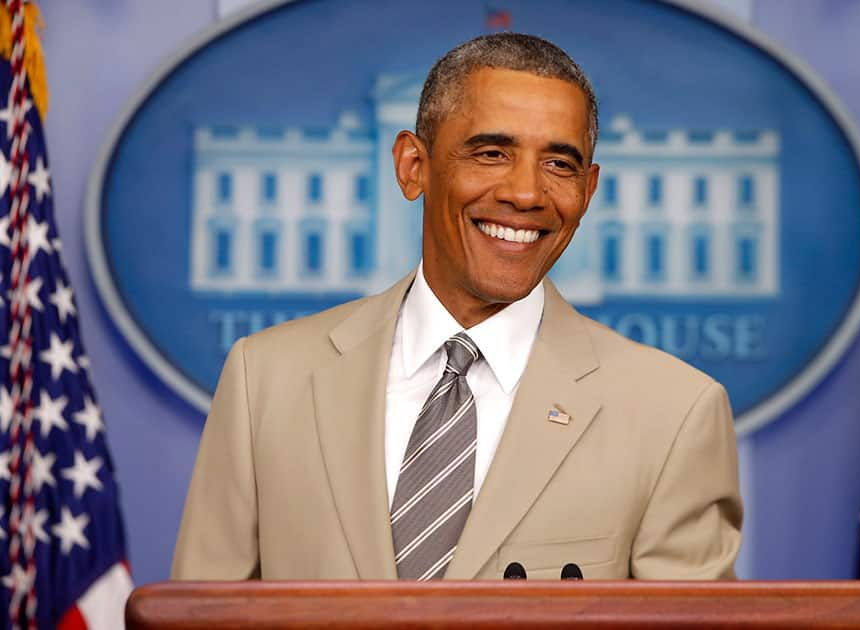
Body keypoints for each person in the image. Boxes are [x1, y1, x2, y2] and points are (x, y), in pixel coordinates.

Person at [172, 33, 742, 581]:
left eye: (559, 164)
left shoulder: (675, 413)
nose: (525, 193)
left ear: (588, 191)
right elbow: (200, 615)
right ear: (412, 166)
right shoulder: (264, 379)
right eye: (492, 153)